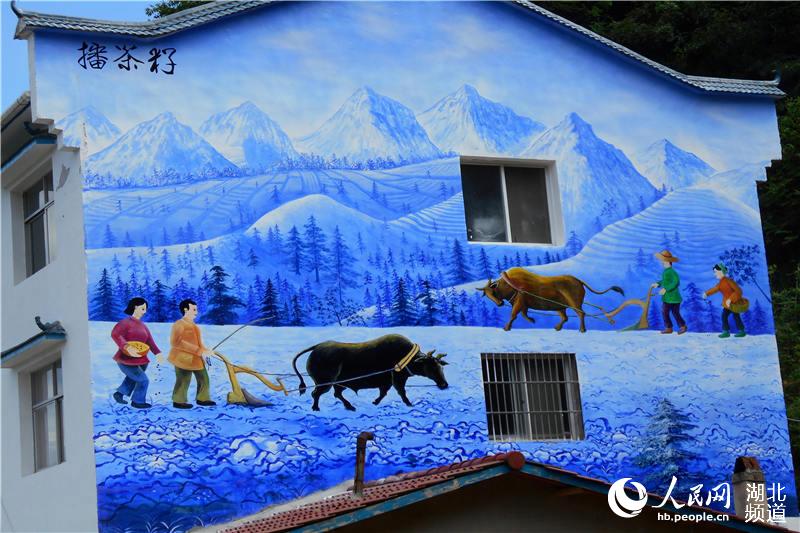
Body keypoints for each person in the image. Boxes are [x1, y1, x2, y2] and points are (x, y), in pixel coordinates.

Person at [110, 297, 161, 409]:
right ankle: (137, 401)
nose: (145, 311)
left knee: (133, 378)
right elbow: (116, 334)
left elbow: (149, 341)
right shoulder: (125, 323)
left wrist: (158, 353)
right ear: (135, 307)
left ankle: (119, 394)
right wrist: (127, 347)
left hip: (141, 360)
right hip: (125, 359)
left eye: (146, 309)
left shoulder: (143, 326)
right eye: (143, 308)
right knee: (143, 380)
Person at [169, 299, 216, 409]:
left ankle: (202, 399)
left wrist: (205, 350)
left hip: (196, 358)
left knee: (204, 378)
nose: (196, 311)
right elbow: (176, 342)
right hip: (182, 359)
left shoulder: (194, 325)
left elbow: (198, 343)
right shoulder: (179, 324)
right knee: (183, 380)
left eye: (196, 309)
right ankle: (178, 401)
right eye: (194, 309)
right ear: (185, 309)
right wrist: (198, 351)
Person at [703, 263, 747, 338]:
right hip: (727, 305)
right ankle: (726, 332)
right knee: (724, 316)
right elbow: (715, 289)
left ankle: (741, 331)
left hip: (734, 303)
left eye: (716, 272)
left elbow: (738, 291)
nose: (715, 274)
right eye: (714, 272)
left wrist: (730, 299)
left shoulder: (729, 281)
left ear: (721, 272)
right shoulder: (721, 283)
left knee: (736, 316)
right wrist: (706, 293)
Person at [650, 250, 687, 335]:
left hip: (674, 298)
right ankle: (669, 328)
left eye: (663, 260)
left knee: (675, 313)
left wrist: (665, 289)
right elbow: (665, 281)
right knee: (664, 312)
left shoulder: (672, 272)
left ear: (668, 261)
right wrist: (658, 284)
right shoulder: (666, 271)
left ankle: (683, 326)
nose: (661, 262)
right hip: (667, 298)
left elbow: (676, 282)